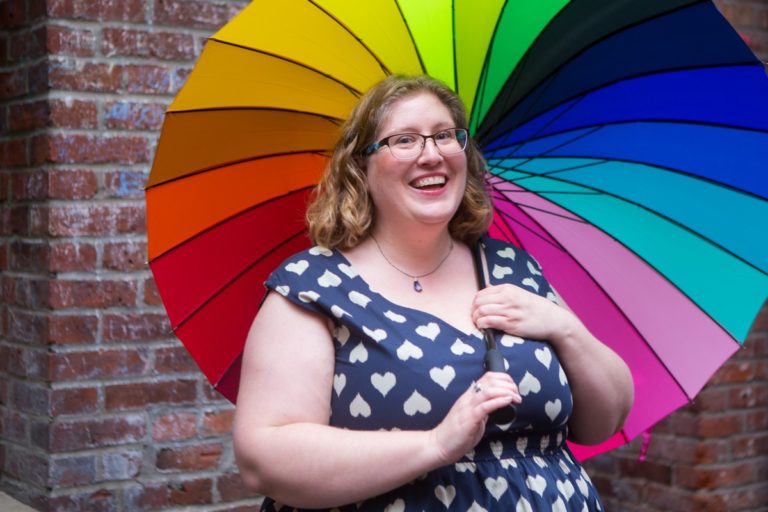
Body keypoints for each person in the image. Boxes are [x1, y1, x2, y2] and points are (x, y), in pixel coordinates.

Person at [233, 75, 634, 511]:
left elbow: (605, 420)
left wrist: (566, 330)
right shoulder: (315, 287)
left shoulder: (510, 268)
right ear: (360, 167)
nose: (431, 154)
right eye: (404, 140)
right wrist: (436, 444)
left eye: (445, 136)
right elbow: (265, 459)